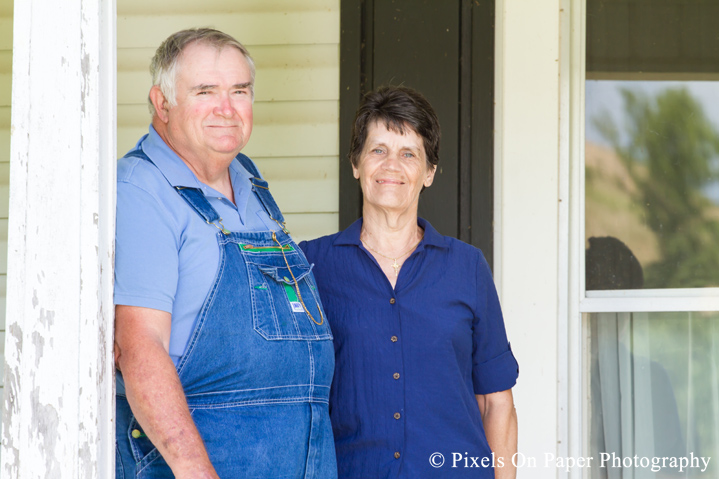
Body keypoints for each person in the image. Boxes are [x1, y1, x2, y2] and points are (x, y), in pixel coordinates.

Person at [113, 28, 336, 479]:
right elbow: (139, 346)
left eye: (240, 91)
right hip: (210, 463)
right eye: (205, 91)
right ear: (162, 103)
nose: (227, 109)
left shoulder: (248, 179)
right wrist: (196, 470)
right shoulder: (143, 189)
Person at [300, 86, 519, 478]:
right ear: (355, 163)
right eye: (377, 150)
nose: (391, 166)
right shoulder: (313, 265)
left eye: (408, 154)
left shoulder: (467, 267)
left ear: (429, 173)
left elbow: (497, 403)